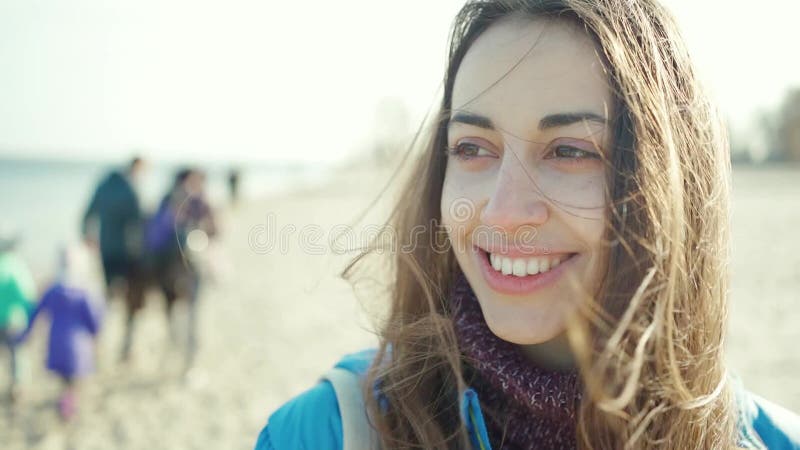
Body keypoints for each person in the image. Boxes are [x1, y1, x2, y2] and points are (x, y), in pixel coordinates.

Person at [256, 1, 800, 449]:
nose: (502, 211)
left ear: (667, 182)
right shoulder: (323, 432)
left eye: (569, 151)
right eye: (472, 148)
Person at [137, 168, 216, 369]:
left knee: (180, 316)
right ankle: (186, 360)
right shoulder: (194, 201)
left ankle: (182, 357)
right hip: (182, 268)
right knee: (189, 316)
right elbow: (214, 230)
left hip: (172, 269)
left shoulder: (171, 200)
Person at [15, 245, 103, 420]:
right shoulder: (83, 292)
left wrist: (25, 334)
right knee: (74, 380)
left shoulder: (54, 290)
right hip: (80, 347)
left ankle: (66, 403)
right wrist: (95, 333)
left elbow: (36, 312)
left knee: (65, 379)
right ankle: (68, 406)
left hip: (56, 344)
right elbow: (94, 318)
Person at [82, 156, 146, 304]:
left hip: (106, 246)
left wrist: (87, 236)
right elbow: (139, 221)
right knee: (128, 290)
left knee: (109, 288)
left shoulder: (104, 186)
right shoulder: (131, 189)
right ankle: (123, 319)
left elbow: (88, 214)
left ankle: (106, 316)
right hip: (127, 249)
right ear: (137, 168)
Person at [0, 227, 35, 401]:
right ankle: (17, 385)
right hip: (13, 319)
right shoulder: (15, 264)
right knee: (16, 354)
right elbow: (26, 293)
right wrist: (31, 315)